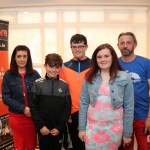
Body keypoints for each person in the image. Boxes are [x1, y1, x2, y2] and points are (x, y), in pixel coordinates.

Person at [78, 43, 134, 150]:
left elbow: (129, 107)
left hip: (114, 129)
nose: (103, 59)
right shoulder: (89, 77)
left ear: (113, 57)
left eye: (106, 56)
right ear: (95, 59)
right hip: (92, 128)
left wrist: (127, 133)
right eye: (99, 57)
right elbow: (84, 104)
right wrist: (82, 129)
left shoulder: (124, 77)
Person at [2, 45, 41, 150]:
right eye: (19, 56)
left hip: (32, 118)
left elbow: (40, 94)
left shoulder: (35, 74)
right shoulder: (8, 75)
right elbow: (5, 97)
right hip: (17, 118)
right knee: (20, 146)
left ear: (28, 58)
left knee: (31, 145)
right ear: (14, 58)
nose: (22, 59)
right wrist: (23, 108)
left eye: (25, 56)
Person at [30, 53, 71, 150]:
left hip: (58, 129)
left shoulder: (64, 85)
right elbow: (33, 107)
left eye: (56, 67)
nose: (53, 70)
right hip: (43, 129)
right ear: (45, 66)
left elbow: (67, 108)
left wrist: (59, 127)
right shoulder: (37, 84)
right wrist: (41, 126)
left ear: (60, 68)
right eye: (50, 66)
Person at [118, 32, 150, 150]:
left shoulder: (146, 63)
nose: (125, 46)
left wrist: (149, 118)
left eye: (128, 43)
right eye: (122, 43)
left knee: (145, 147)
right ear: (118, 45)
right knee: (126, 148)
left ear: (135, 44)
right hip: (122, 117)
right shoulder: (114, 64)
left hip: (142, 116)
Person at [60, 33, 91, 150]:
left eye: (80, 46)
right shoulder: (64, 67)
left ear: (86, 47)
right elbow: (61, 92)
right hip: (72, 113)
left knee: (92, 144)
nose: (77, 49)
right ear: (71, 48)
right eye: (74, 46)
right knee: (77, 144)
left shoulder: (95, 64)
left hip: (91, 111)